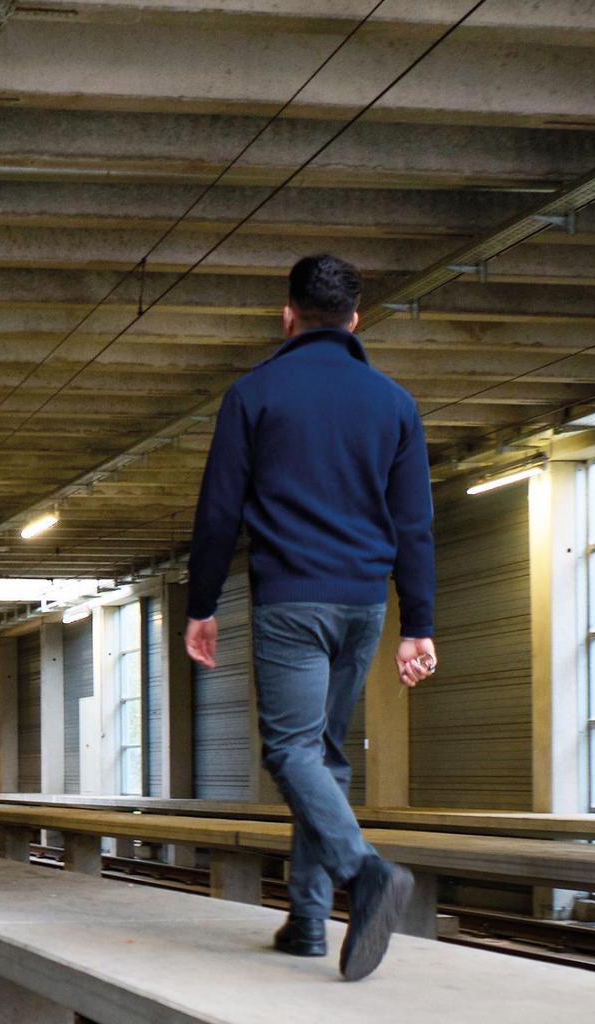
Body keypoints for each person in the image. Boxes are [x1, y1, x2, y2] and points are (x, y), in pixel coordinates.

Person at [183, 253, 437, 982]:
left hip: (291, 601)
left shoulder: (254, 393)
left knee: (289, 752)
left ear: (287, 314)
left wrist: (202, 606)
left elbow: (218, 513)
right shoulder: (393, 403)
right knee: (321, 754)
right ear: (355, 320)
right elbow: (414, 524)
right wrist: (416, 624)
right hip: (362, 603)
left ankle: (365, 875)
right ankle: (306, 921)